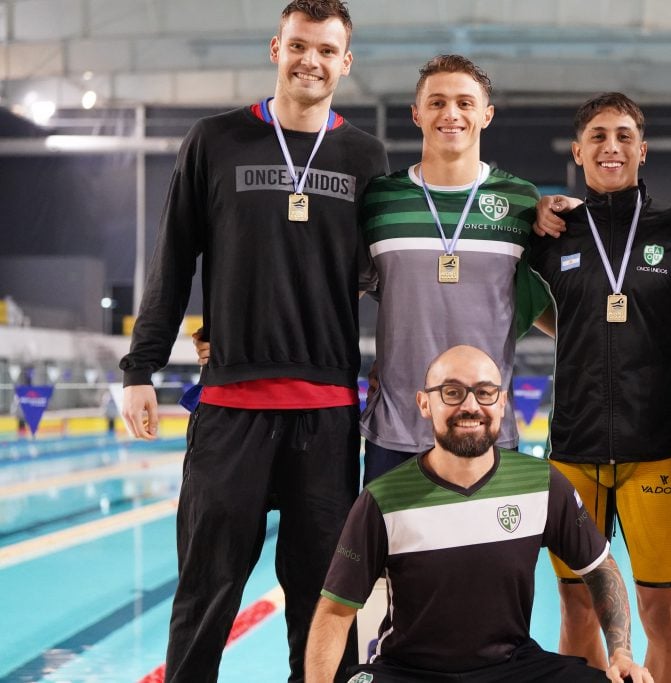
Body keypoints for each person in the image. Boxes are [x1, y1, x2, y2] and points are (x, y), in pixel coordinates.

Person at [117, 1, 388, 680]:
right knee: (207, 590)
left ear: (345, 63)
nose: (312, 61)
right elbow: (173, 260)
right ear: (276, 48)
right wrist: (139, 367)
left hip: (326, 411)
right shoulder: (215, 140)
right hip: (231, 403)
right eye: (300, 45)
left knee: (326, 601)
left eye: (327, 51)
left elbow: (386, 271)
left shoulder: (364, 155)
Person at [195, 55, 552, 484]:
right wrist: (241, 333)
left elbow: (547, 303)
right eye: (437, 102)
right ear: (417, 114)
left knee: (489, 555)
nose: (451, 114)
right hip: (395, 431)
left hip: (487, 431)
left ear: (486, 115)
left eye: (465, 102)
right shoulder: (380, 198)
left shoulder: (521, 203)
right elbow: (330, 285)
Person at [305, 345, 652, 683]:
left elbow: (600, 568)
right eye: (452, 392)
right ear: (425, 403)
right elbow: (335, 611)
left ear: (502, 402)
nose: (471, 406)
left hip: (512, 666)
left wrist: (621, 652)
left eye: (485, 392)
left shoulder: (539, 483)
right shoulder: (384, 498)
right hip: (407, 671)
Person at [525, 92, 671, 682]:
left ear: (642, 150)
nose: (611, 146)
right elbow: (536, 313)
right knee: (578, 609)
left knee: (661, 613)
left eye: (624, 135)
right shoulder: (552, 235)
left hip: (653, 452)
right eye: (598, 136)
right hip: (573, 453)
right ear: (578, 151)